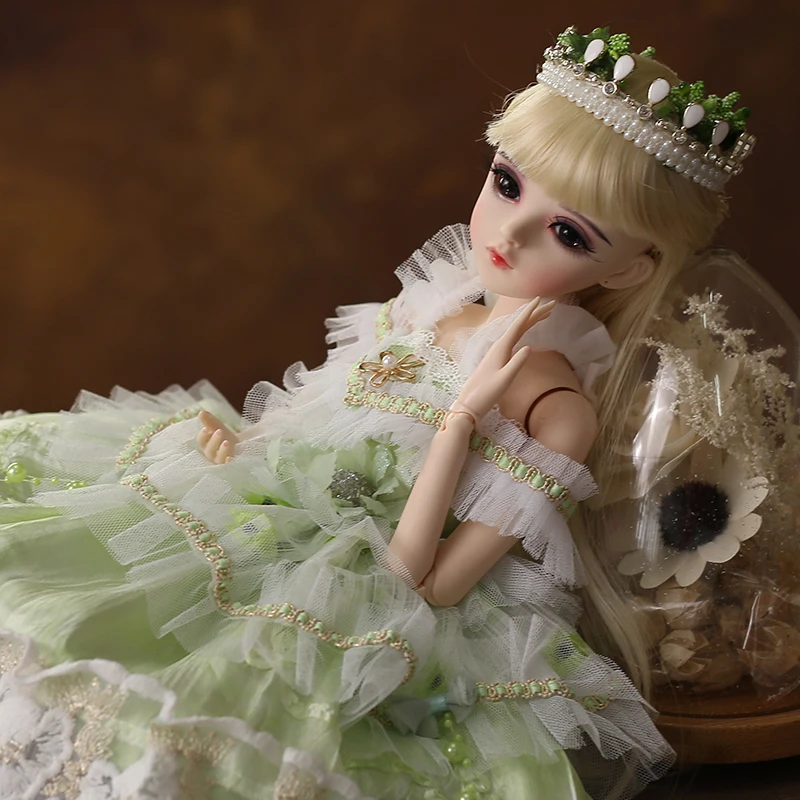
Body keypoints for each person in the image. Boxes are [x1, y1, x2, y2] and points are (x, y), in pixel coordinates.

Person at [0, 25, 754, 800]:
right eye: (506, 182)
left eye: (568, 233)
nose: (512, 231)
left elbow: (424, 588)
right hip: (268, 511)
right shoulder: (436, 300)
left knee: (211, 714)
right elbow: (329, 403)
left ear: (628, 270)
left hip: (370, 607)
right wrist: (251, 440)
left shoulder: (558, 413)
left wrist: (462, 420)